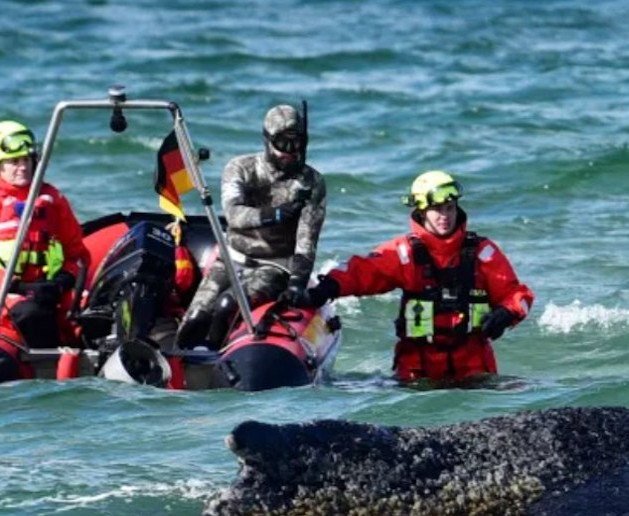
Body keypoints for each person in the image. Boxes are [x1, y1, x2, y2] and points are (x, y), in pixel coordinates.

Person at [296, 170, 534, 383]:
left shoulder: (483, 252)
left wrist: (506, 313)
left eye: (450, 208)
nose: (445, 216)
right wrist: (325, 289)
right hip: (417, 374)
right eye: (437, 209)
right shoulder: (404, 253)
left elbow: (518, 295)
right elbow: (363, 272)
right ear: (421, 211)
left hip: (475, 370)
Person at [176, 103, 327, 349]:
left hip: (275, 267)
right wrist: (276, 214)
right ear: (267, 140)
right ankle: (176, 368)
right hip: (230, 259)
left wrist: (297, 283)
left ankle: (215, 365)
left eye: (296, 143)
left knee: (227, 306)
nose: (290, 152)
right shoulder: (241, 169)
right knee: (195, 319)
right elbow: (234, 215)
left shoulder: (311, 183)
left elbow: (306, 239)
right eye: (282, 143)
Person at [0, 120, 90, 361]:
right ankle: (50, 365)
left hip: (49, 290)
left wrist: (63, 281)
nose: (22, 168)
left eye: (26, 161)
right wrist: (21, 289)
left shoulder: (52, 199)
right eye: (14, 162)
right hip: (8, 294)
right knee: (31, 313)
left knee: (93, 311)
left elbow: (77, 254)